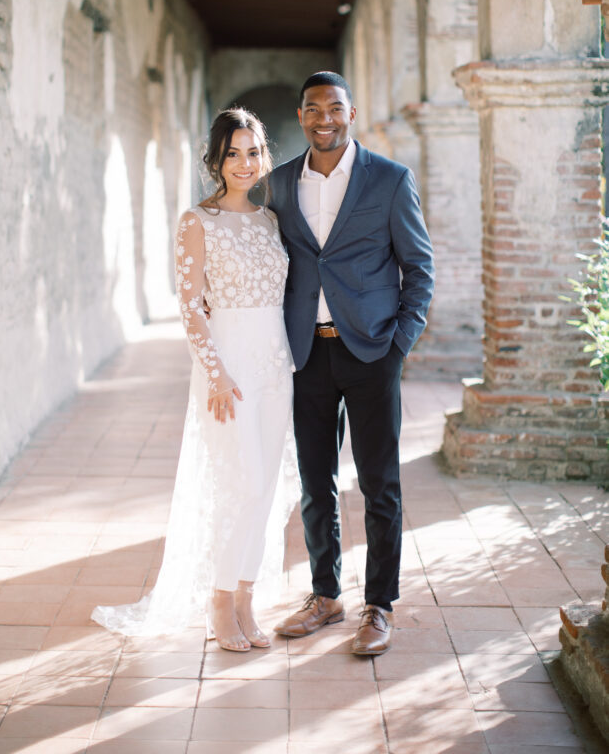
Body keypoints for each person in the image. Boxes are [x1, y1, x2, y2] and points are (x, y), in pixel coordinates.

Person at [92, 108, 296, 651]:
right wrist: (216, 375)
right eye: (234, 153)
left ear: (263, 158)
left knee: (267, 491)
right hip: (227, 371)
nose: (245, 163)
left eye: (253, 152)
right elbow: (190, 309)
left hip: (276, 368)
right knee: (242, 483)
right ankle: (219, 601)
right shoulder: (196, 221)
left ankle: (248, 598)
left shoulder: (270, 221)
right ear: (217, 159)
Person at [268, 71, 434, 656]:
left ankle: (380, 606)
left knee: (379, 484)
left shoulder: (389, 180)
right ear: (301, 116)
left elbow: (420, 269)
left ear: (352, 113)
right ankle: (325, 595)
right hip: (306, 353)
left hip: (370, 351)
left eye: (334, 108)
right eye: (313, 109)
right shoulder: (281, 185)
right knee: (316, 483)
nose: (324, 118)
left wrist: (399, 345)